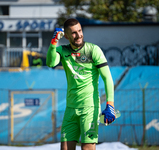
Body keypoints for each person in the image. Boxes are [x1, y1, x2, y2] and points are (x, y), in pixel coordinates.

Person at [46, 18, 115, 150]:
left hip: (90, 109)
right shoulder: (62, 50)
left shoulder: (93, 50)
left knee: (87, 148)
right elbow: (50, 63)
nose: (79, 35)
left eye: (80, 31)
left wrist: (110, 104)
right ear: (66, 36)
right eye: (73, 33)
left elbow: (107, 78)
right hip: (70, 109)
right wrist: (53, 43)